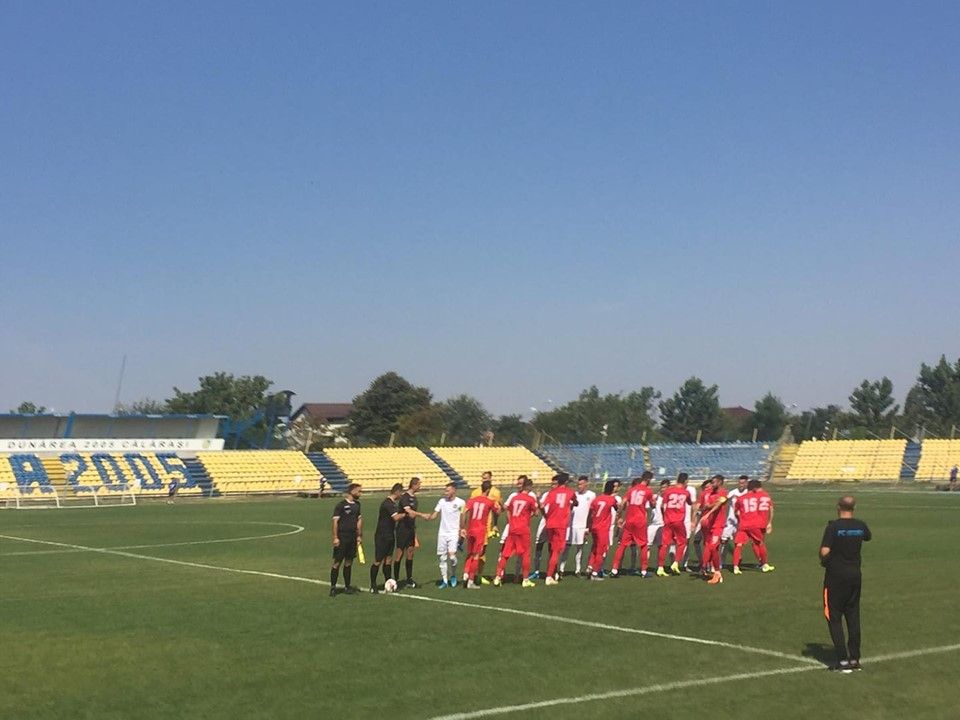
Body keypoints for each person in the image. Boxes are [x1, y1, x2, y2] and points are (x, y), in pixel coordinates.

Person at [821, 495, 872, 672]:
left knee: (833, 617)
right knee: (853, 616)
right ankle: (855, 659)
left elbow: (824, 551)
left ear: (838, 507)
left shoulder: (833, 527)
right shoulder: (861, 525)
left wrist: (825, 560)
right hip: (855, 575)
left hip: (836, 577)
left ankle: (842, 660)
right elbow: (867, 537)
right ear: (854, 508)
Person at [494, 477, 539, 588]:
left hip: (512, 528)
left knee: (505, 554)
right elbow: (536, 513)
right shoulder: (530, 499)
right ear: (529, 487)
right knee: (525, 555)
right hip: (523, 529)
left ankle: (498, 576)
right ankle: (525, 579)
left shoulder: (514, 498)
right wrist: (537, 500)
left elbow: (508, 509)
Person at [611, 472, 655, 577]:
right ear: (648, 480)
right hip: (640, 521)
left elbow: (622, 503)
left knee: (622, 545)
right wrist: (653, 503)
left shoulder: (631, 490)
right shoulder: (648, 490)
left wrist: (620, 516)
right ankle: (644, 571)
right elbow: (653, 504)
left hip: (629, 520)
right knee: (643, 545)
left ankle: (614, 570)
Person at [541, 473, 578, 585]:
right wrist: (572, 505)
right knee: (556, 551)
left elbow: (542, 506)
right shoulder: (570, 492)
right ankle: (549, 576)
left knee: (552, 550)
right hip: (560, 525)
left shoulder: (551, 493)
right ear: (566, 482)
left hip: (550, 523)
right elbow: (576, 502)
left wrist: (546, 516)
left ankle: (553, 573)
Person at [461, 483, 500, 589]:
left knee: (469, 554)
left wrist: (463, 527)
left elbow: (464, 512)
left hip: (471, 529)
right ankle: (471, 581)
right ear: (488, 490)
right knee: (477, 555)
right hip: (480, 531)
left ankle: (465, 574)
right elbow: (498, 512)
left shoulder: (472, 500)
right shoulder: (490, 501)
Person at [732, 479, 775, 574]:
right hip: (757, 524)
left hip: (743, 525)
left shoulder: (741, 498)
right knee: (760, 543)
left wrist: (740, 520)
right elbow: (770, 508)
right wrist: (769, 523)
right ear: (755, 488)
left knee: (738, 545)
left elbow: (736, 512)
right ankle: (764, 564)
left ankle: (735, 567)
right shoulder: (763, 496)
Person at [429, 482, 466, 588]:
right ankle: (445, 581)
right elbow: (435, 514)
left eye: (448, 490)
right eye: (445, 490)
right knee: (442, 558)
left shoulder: (461, 503)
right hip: (442, 533)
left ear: (454, 491)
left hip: (454, 533)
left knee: (452, 557)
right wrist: (427, 517)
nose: (446, 492)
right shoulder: (441, 501)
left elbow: (463, 516)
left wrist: (462, 529)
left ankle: (453, 575)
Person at [394, 477, 430, 588]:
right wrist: (422, 515)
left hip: (410, 529)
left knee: (410, 553)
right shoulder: (405, 497)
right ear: (413, 485)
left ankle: (409, 579)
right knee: (399, 554)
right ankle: (396, 579)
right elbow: (409, 512)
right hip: (402, 529)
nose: (420, 487)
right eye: (419, 484)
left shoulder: (415, 499)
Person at [370, 483, 405, 593]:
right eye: (401, 492)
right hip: (382, 536)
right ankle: (373, 585)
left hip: (390, 535)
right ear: (397, 492)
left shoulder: (393, 503)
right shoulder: (388, 503)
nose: (402, 495)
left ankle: (388, 582)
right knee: (378, 560)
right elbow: (395, 518)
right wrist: (405, 514)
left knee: (388, 560)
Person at [469, 471, 502, 583]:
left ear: (491, 478)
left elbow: (498, 509)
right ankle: (471, 575)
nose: (484, 480)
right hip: (476, 526)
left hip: (487, 527)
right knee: (475, 552)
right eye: (483, 478)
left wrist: (495, 525)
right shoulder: (475, 492)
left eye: (486, 478)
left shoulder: (496, 492)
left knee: (482, 552)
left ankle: (478, 574)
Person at [330, 483, 363, 597]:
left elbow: (359, 520)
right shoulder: (341, 505)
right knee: (337, 563)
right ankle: (333, 587)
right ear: (352, 491)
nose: (360, 493)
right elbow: (335, 522)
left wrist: (359, 535)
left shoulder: (357, 505)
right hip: (342, 537)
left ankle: (347, 586)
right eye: (359, 491)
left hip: (352, 537)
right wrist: (335, 537)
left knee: (349, 562)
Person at [657, 473, 692, 576]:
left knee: (664, 545)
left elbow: (662, 506)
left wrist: (665, 517)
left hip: (668, 521)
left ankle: (660, 567)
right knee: (682, 542)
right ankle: (676, 563)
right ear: (685, 481)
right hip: (679, 521)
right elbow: (690, 503)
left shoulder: (668, 491)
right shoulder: (686, 492)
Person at [560, 476, 595, 576]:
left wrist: (588, 527)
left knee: (579, 549)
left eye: (581, 484)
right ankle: (561, 569)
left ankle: (577, 570)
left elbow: (592, 512)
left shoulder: (591, 495)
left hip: (582, 526)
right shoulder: (573, 494)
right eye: (578, 484)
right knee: (566, 548)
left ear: (586, 484)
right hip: (571, 525)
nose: (579, 486)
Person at [698, 475, 728, 585]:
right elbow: (705, 506)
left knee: (712, 546)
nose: (712, 484)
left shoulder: (723, 493)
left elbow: (718, 504)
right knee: (712, 548)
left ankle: (716, 572)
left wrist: (708, 512)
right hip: (710, 524)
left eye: (714, 482)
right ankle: (716, 572)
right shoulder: (709, 493)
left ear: (720, 482)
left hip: (718, 525)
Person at [585, 480, 617, 580]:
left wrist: (588, 526)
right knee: (601, 551)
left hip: (594, 526)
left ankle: (590, 567)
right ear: (612, 489)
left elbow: (590, 514)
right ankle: (595, 573)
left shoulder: (596, 499)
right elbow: (617, 508)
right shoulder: (611, 499)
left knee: (594, 548)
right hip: (603, 528)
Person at [530, 476, 558, 579]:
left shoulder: (559, 496)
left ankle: (552, 571)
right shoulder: (547, 494)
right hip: (545, 522)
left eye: (555, 483)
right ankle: (536, 571)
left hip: (554, 523)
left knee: (552, 548)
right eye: (552, 483)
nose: (552, 485)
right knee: (539, 546)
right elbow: (541, 506)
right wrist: (538, 498)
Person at [721, 475, 750, 567]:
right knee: (724, 541)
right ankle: (721, 562)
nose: (741, 485)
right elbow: (724, 501)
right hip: (730, 521)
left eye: (743, 483)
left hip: (742, 522)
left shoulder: (749, 493)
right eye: (740, 483)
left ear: (746, 483)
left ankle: (738, 559)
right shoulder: (733, 492)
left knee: (739, 543)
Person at [646, 478, 669, 570]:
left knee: (661, 546)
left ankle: (660, 566)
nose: (663, 489)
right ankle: (645, 567)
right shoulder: (655, 497)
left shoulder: (670, 498)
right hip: (653, 525)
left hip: (663, 524)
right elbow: (649, 507)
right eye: (662, 487)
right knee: (647, 546)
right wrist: (653, 502)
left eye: (665, 487)